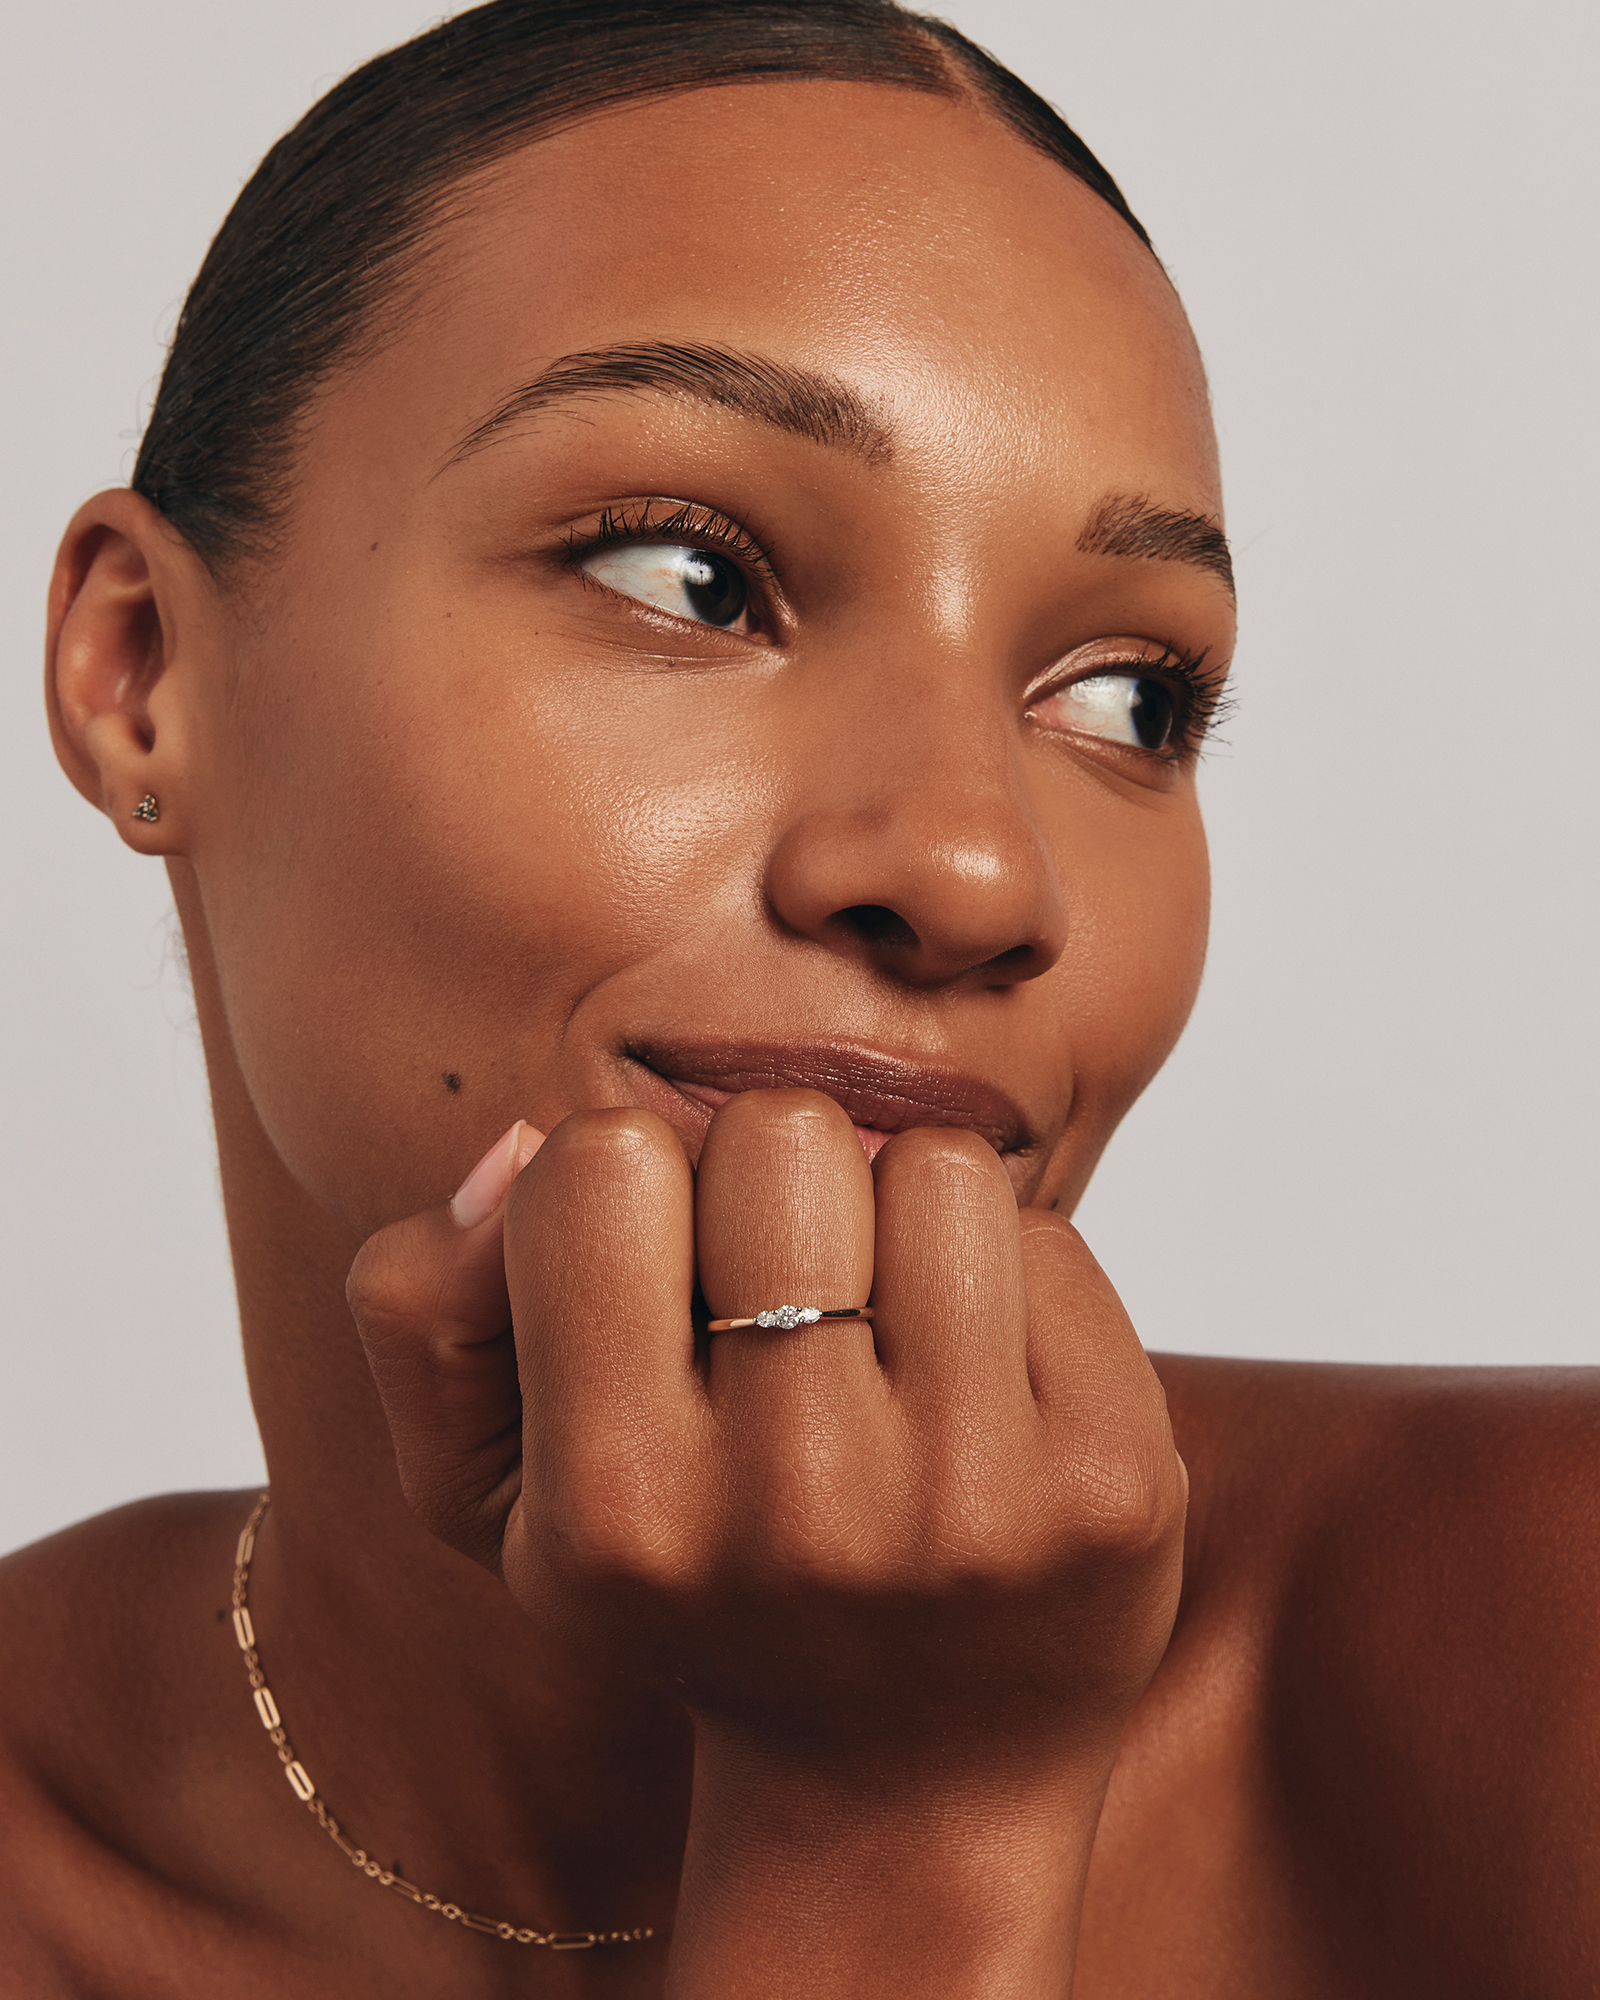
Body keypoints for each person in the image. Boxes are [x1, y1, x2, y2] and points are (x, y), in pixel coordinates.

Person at [3, 0, 1594, 1991]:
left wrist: (904, 1811)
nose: (971, 870)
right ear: (140, 666)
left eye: (1125, 697)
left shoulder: (1544, 1656)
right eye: (684, 575)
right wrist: (889, 1833)